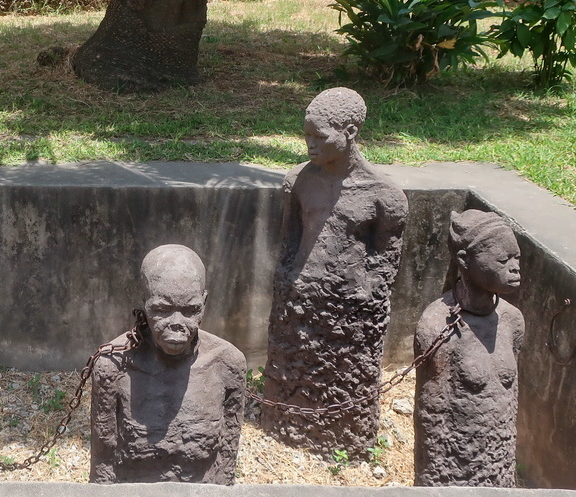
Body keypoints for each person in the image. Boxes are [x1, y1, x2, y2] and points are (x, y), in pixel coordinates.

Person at [261, 87, 409, 456]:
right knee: (293, 376)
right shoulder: (298, 181)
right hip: (297, 302)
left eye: (319, 137)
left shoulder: (383, 195)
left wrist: (363, 301)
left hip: (349, 313)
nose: (310, 144)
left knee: (342, 386)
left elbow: (386, 260)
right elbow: (290, 242)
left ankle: (343, 438)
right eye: (306, 135)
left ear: (350, 133)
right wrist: (287, 287)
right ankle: (283, 423)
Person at [90, 244, 246, 485]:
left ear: (204, 303)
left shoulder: (227, 364)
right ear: (144, 304)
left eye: (190, 310)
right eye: (161, 310)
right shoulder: (113, 366)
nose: (177, 323)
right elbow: (103, 470)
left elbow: (225, 467)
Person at [414, 209, 525, 487]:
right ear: (465, 261)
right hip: (454, 472)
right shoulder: (437, 325)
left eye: (517, 258)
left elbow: (510, 402)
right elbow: (431, 417)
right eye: (503, 260)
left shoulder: (513, 321)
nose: (514, 268)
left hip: (499, 467)